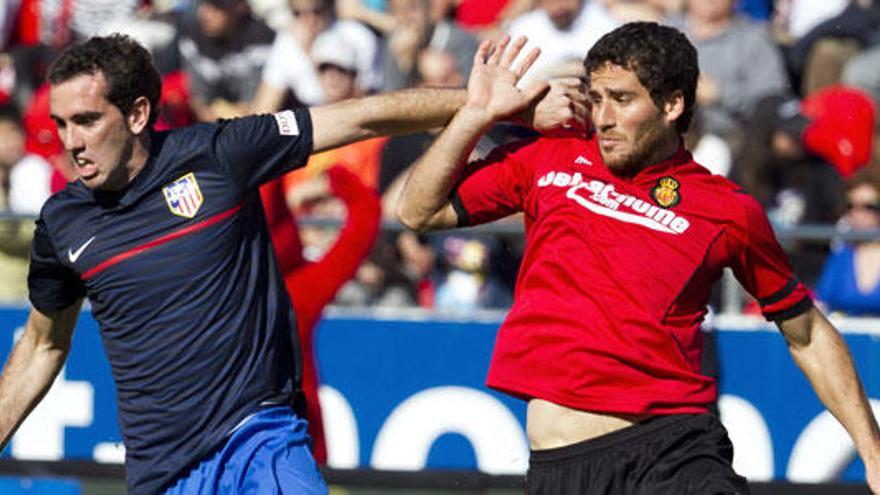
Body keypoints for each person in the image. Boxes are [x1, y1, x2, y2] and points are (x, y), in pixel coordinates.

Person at [0, 33, 578, 494]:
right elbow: (43, 347)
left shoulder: (219, 154)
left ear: (136, 113)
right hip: (162, 474)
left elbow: (366, 116)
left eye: (86, 121)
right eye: (59, 125)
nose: (69, 142)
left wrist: (493, 108)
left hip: (262, 441)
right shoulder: (62, 223)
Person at [396, 23, 880, 494]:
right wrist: (477, 113)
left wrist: (873, 452)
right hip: (560, 468)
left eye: (622, 100)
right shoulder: (550, 156)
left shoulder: (728, 210)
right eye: (597, 97)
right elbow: (418, 210)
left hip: (671, 454)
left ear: (672, 105)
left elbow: (808, 332)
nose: (603, 117)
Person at [816, 167, 880, 316]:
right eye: (850, 206)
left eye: (869, 207)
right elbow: (822, 304)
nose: (858, 214)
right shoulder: (840, 255)